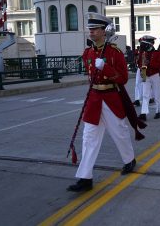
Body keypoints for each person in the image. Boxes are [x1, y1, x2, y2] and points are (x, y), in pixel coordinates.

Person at [67, 13, 136, 192]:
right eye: (90, 29)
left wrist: (105, 67)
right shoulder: (88, 53)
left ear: (104, 31)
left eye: (95, 29)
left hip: (111, 97)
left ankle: (129, 159)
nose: (91, 32)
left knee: (119, 133)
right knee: (89, 138)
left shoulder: (115, 52)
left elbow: (123, 78)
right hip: (94, 99)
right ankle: (85, 178)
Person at [138, 35, 160, 120]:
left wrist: (149, 63)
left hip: (155, 75)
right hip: (146, 74)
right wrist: (142, 68)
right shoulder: (143, 53)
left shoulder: (157, 53)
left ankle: (158, 111)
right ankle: (143, 113)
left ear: (152, 43)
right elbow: (139, 64)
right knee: (145, 95)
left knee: (157, 94)